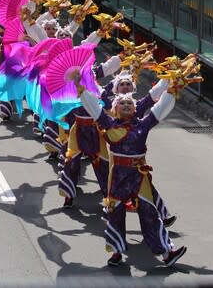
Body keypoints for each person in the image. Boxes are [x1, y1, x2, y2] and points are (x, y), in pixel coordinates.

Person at [76, 86, 186, 268]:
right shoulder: (108, 124)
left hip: (138, 176)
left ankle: (167, 253)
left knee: (150, 213)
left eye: (129, 103)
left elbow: (159, 109)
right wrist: (81, 89)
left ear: (135, 109)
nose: (126, 105)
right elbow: (94, 107)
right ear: (115, 108)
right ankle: (116, 252)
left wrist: (171, 91)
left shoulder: (144, 124)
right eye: (122, 103)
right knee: (115, 215)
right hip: (118, 177)